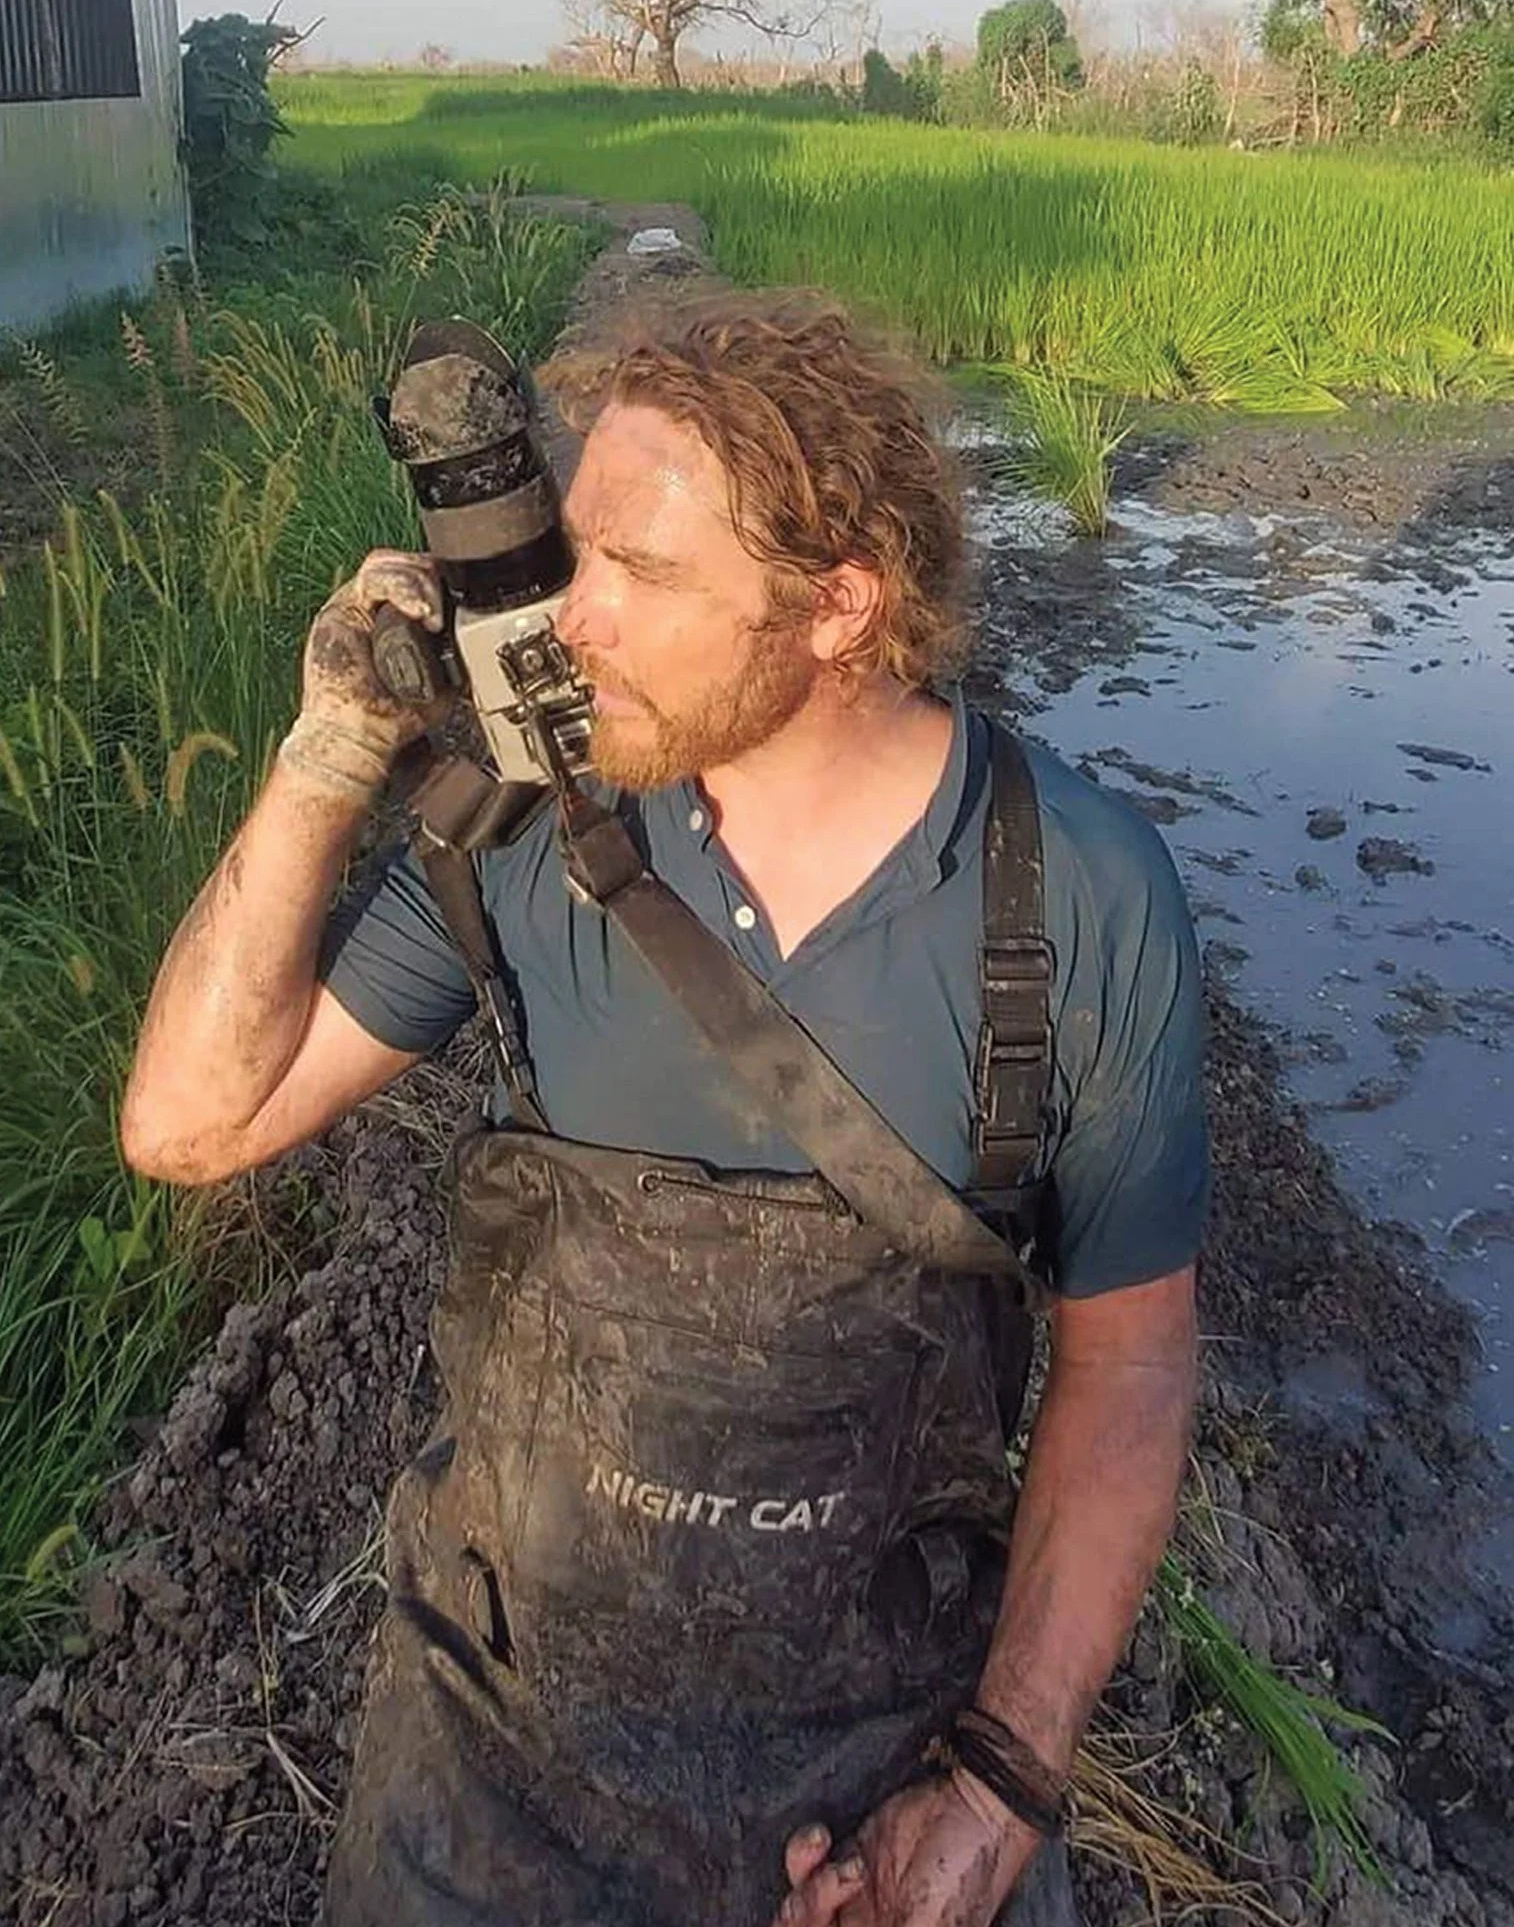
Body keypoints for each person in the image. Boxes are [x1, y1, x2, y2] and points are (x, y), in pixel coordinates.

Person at [121, 291, 1207, 1927]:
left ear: (839, 607)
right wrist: (329, 748)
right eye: (574, 552)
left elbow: (1127, 1362)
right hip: (499, 1738)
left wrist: (998, 1787)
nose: (568, 620)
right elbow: (189, 1128)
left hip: (879, 1761)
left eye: (641, 575)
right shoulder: (522, 834)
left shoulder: (1071, 902)